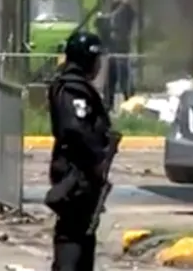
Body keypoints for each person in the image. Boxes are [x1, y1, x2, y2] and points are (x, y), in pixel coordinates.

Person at [46, 31, 113, 271]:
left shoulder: (76, 86)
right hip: (76, 174)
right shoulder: (73, 89)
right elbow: (75, 129)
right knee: (72, 237)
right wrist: (96, 158)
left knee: (84, 235)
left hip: (83, 176)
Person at [103, 0, 136, 110]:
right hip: (112, 47)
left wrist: (125, 4)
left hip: (122, 46)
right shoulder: (113, 8)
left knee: (124, 78)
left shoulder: (126, 9)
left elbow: (130, 19)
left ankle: (130, 103)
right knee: (110, 78)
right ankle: (107, 104)